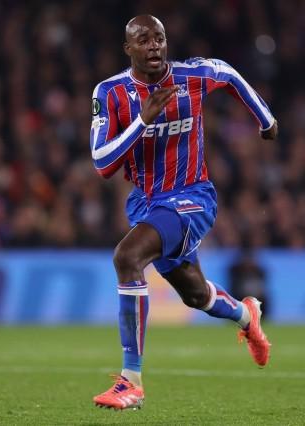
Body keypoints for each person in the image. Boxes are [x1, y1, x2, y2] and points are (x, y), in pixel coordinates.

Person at [90, 15, 278, 410]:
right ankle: (247, 316)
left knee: (127, 257)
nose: (154, 46)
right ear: (128, 49)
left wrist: (266, 119)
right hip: (147, 203)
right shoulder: (110, 93)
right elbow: (103, 163)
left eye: (159, 38)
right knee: (195, 294)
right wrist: (143, 120)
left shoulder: (190, 77)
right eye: (144, 39)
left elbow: (228, 73)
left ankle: (131, 382)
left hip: (193, 198)